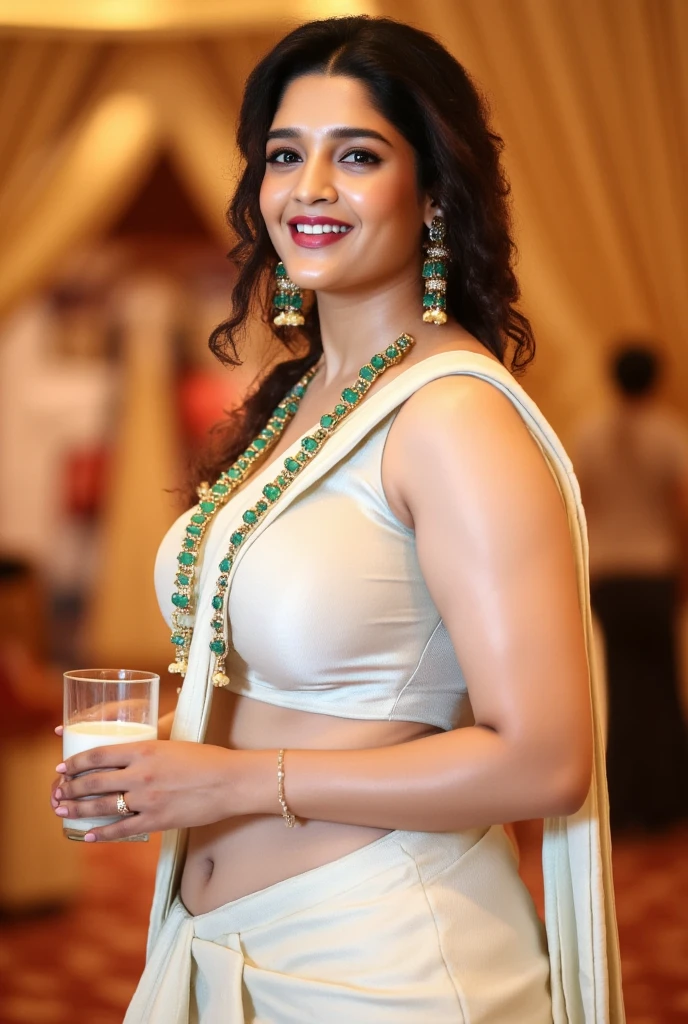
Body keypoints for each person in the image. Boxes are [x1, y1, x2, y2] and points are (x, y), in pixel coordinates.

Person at [51, 16, 623, 1022]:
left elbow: (545, 757)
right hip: (216, 945)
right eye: (284, 154)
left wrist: (226, 784)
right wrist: (158, 781)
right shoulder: (303, 395)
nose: (308, 186)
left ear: (434, 190)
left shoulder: (453, 416)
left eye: (355, 154)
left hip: (384, 962)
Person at [575, 344, 688, 831]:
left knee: (621, 689)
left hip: (607, 577)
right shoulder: (669, 433)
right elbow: (681, 510)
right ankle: (667, 802)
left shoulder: (587, 434)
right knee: (662, 686)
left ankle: (625, 802)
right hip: (654, 572)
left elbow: (577, 506)